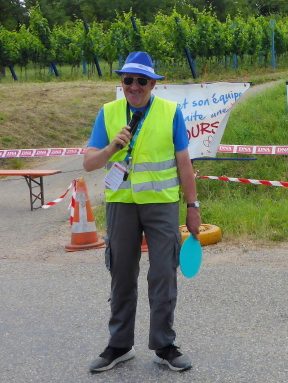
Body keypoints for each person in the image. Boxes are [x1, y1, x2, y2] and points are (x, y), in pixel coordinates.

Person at [83, 51, 201, 373]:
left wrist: (193, 207)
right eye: (128, 80)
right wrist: (112, 148)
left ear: (153, 84)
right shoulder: (108, 113)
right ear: (122, 82)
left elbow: (184, 163)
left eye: (141, 81)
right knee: (121, 274)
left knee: (163, 274)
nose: (134, 86)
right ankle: (119, 345)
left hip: (161, 203)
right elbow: (89, 163)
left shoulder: (170, 112)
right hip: (121, 204)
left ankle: (164, 345)